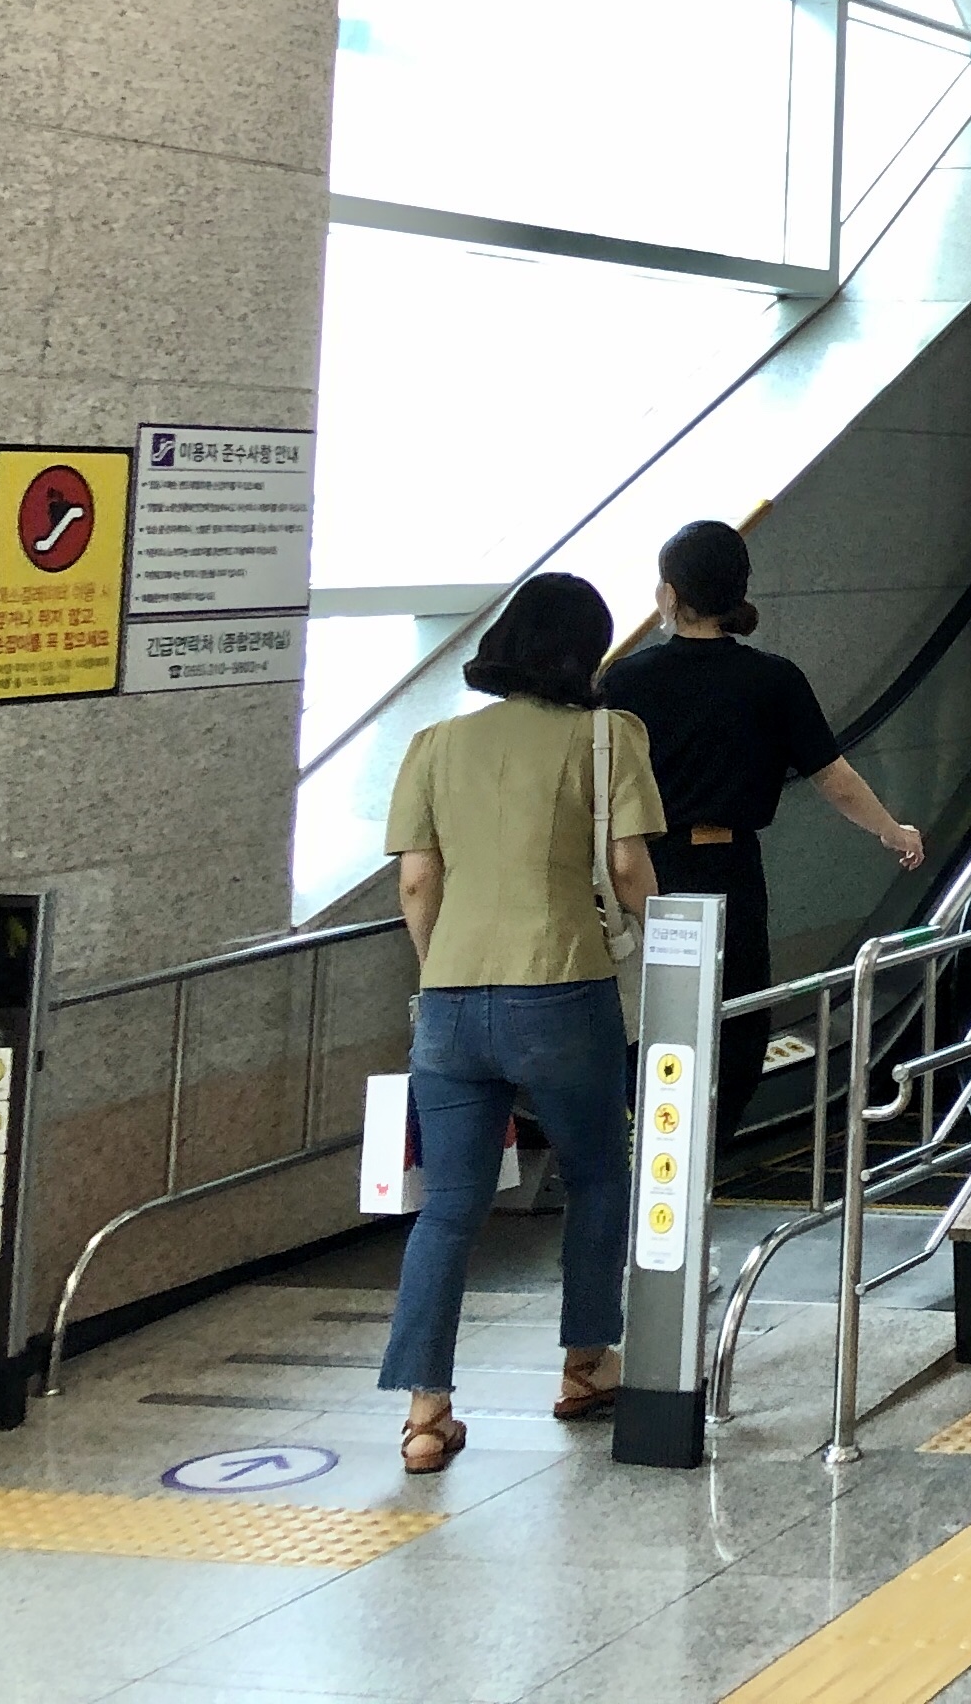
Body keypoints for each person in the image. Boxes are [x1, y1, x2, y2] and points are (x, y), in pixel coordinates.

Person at [377, 572, 661, 1476]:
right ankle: (586, 1364)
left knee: (449, 1207)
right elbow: (628, 869)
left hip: (451, 999)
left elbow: (417, 881)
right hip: (562, 985)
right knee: (597, 1174)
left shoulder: (433, 744)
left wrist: (443, 965)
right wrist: (669, 940)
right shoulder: (609, 736)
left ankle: (426, 1413)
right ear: (587, 650)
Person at [600, 519, 925, 1167]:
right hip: (729, 869)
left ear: (669, 595)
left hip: (641, 866)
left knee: (648, 1018)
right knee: (741, 1024)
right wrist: (893, 830)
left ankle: (651, 1152)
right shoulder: (773, 679)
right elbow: (834, 778)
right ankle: (698, 1159)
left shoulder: (623, 681)